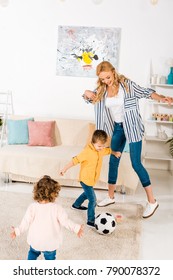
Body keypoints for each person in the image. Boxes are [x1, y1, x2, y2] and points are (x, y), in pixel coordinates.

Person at [83, 61, 173, 219]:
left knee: (136, 163)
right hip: (118, 128)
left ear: (113, 71)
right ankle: (110, 197)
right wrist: (86, 94)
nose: (106, 81)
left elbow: (146, 92)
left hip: (132, 127)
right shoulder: (102, 90)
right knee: (113, 159)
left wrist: (163, 98)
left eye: (108, 77)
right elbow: (91, 99)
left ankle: (152, 202)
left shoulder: (127, 85)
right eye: (102, 79)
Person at [10, 175, 84, 260]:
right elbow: (65, 221)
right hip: (50, 243)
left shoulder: (32, 207)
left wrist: (17, 231)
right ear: (54, 193)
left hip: (36, 241)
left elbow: (25, 222)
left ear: (36, 192)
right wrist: (76, 228)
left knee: (33, 252)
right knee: (50, 258)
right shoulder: (57, 208)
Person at [60, 129, 121, 228]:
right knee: (93, 200)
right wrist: (64, 169)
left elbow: (107, 150)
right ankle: (90, 220)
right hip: (85, 179)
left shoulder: (100, 150)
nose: (101, 148)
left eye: (102, 146)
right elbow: (75, 160)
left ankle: (76, 205)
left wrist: (114, 153)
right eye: (99, 146)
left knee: (86, 194)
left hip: (92, 180)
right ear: (93, 143)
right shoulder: (87, 152)